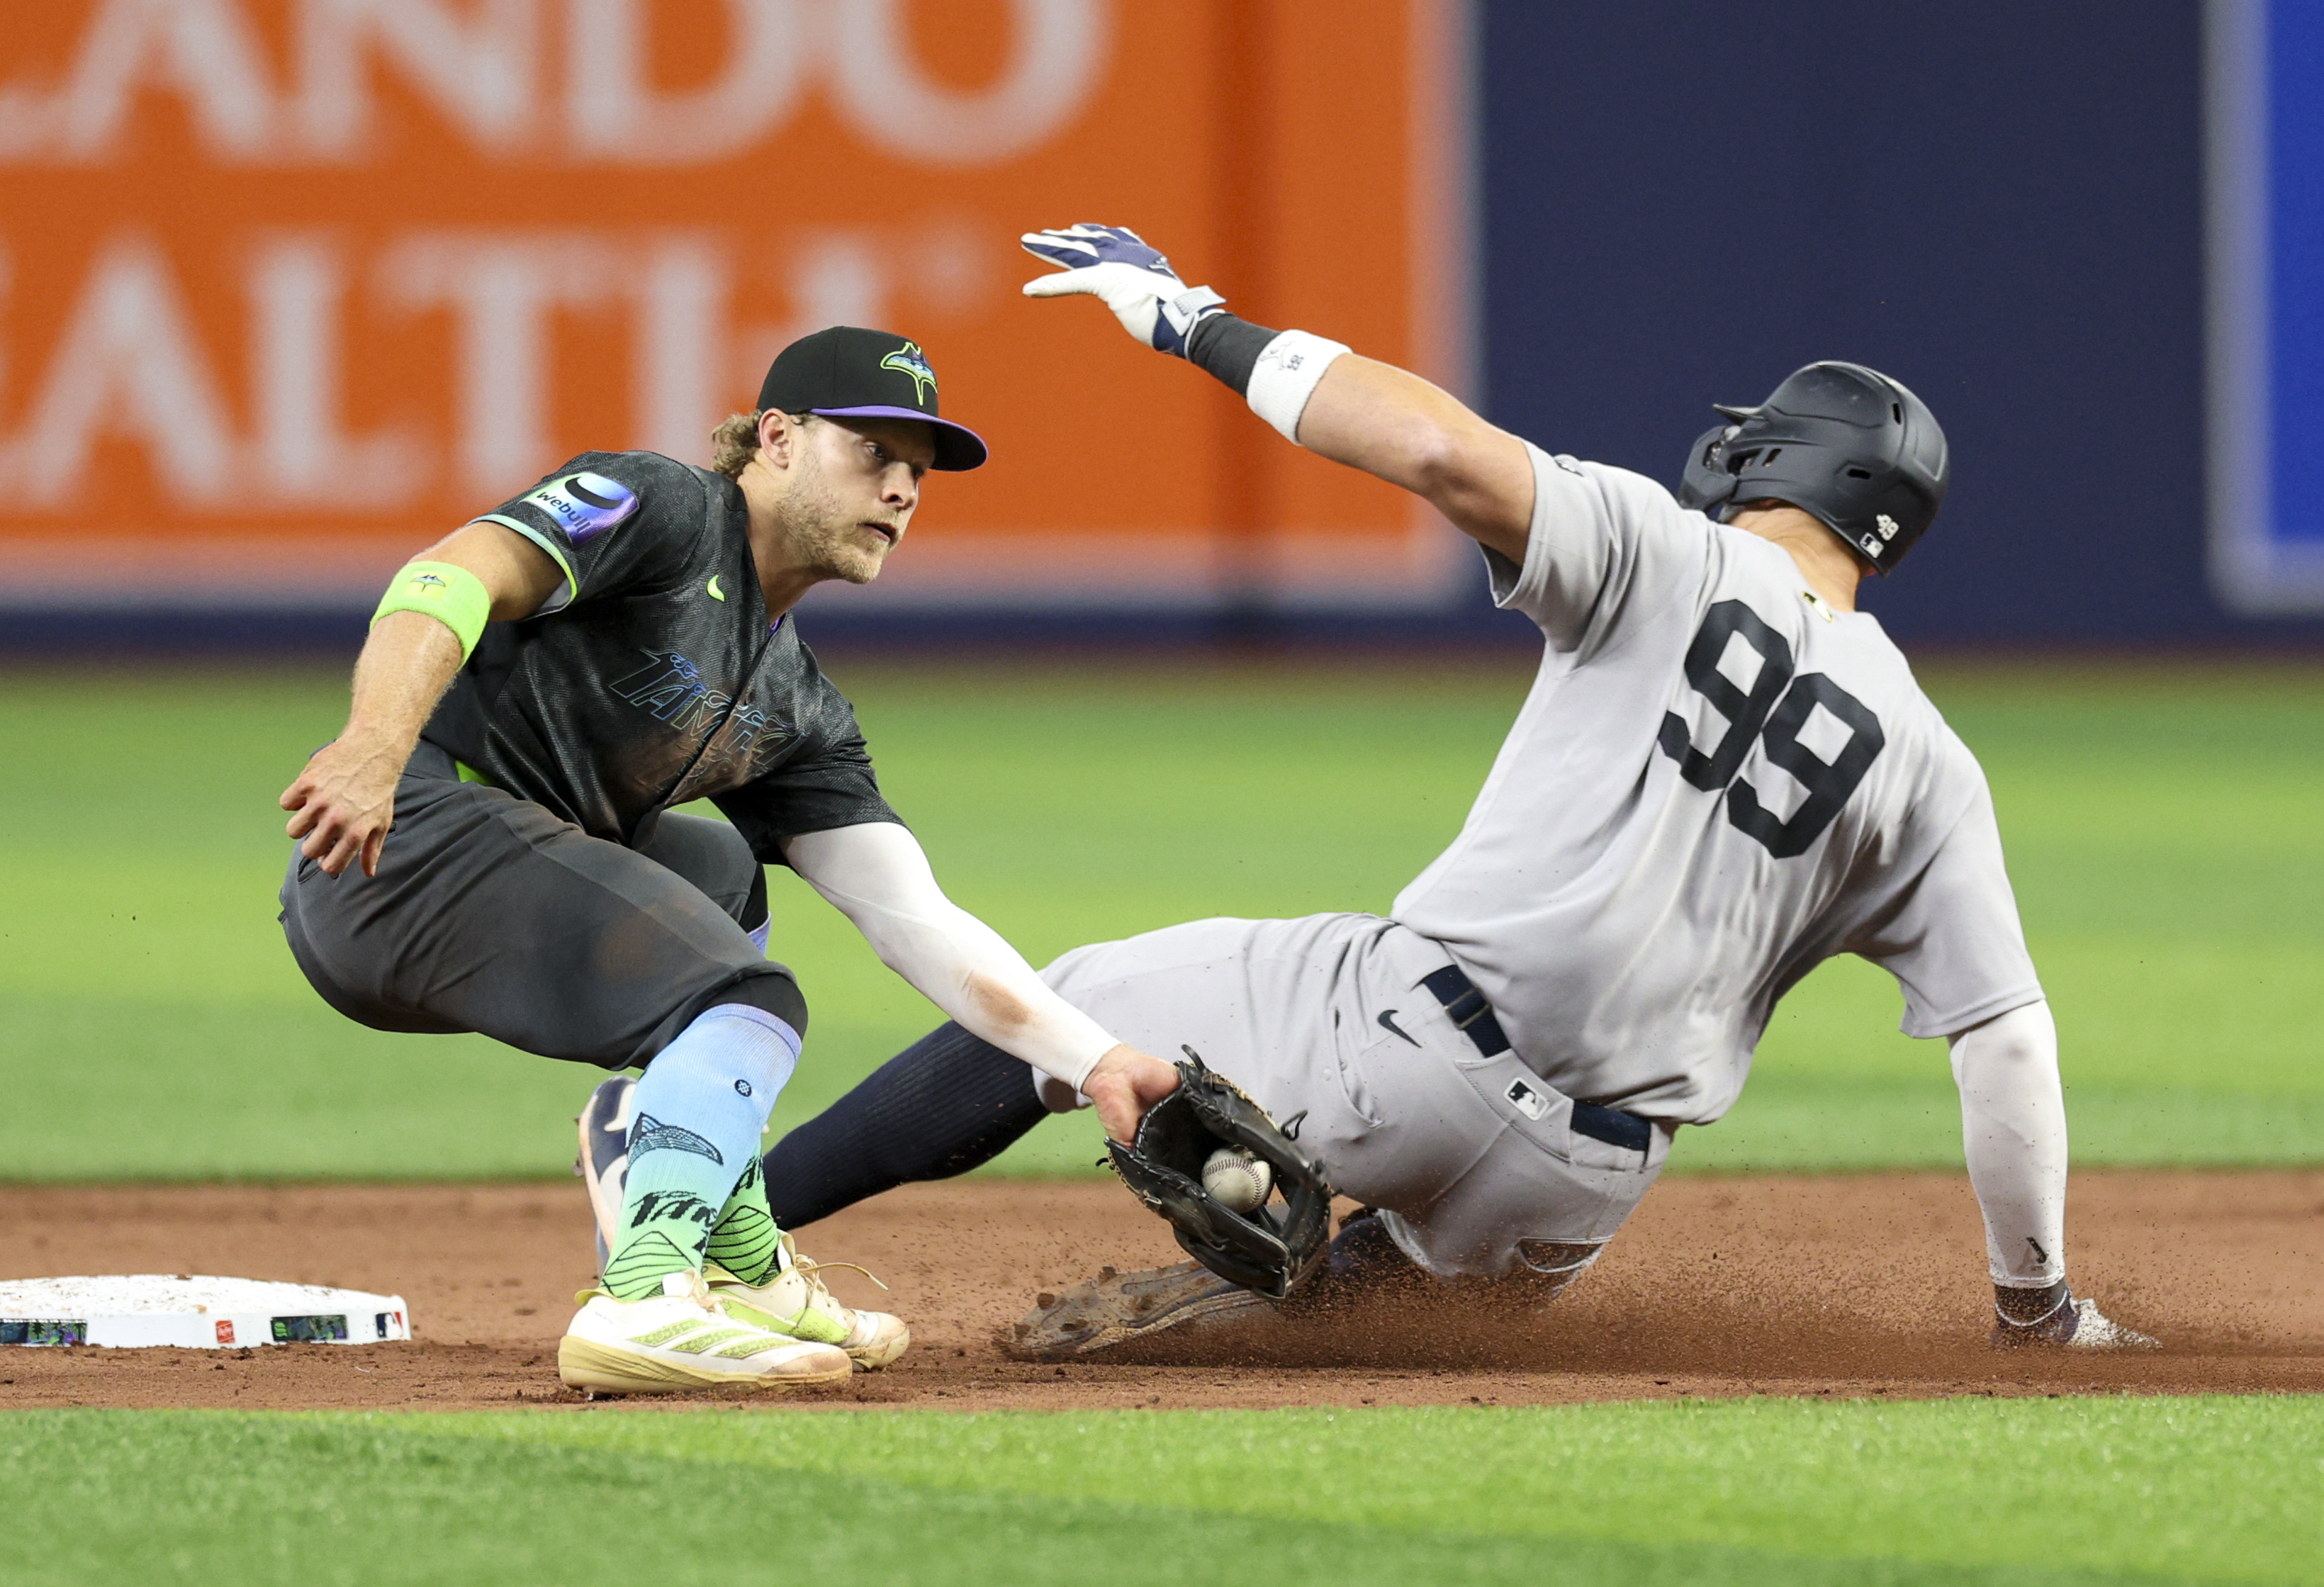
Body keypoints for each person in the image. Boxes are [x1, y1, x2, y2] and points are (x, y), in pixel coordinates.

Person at [751, 226, 2154, 1357]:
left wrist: (1193, 320)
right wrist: (2031, 1302)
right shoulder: (1930, 762)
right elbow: (2008, 1045)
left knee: (1053, 1010)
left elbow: (1435, 450)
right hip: (1586, 1179)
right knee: (1378, 1326)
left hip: (1404, 1033)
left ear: (1783, 462)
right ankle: (1292, 1307)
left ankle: (716, 1222)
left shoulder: (1669, 550)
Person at [276, 325, 1179, 1394]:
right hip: (396, 847)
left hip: (503, 875)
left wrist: (1094, 1059)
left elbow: (910, 915)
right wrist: (373, 746)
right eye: (872, 453)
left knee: (721, 878)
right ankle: (647, 1295)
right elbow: (453, 571)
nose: (900, 489)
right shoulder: (661, 505)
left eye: (916, 472)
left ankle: (732, 1260)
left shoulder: (793, 701)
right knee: (747, 995)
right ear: (779, 437)